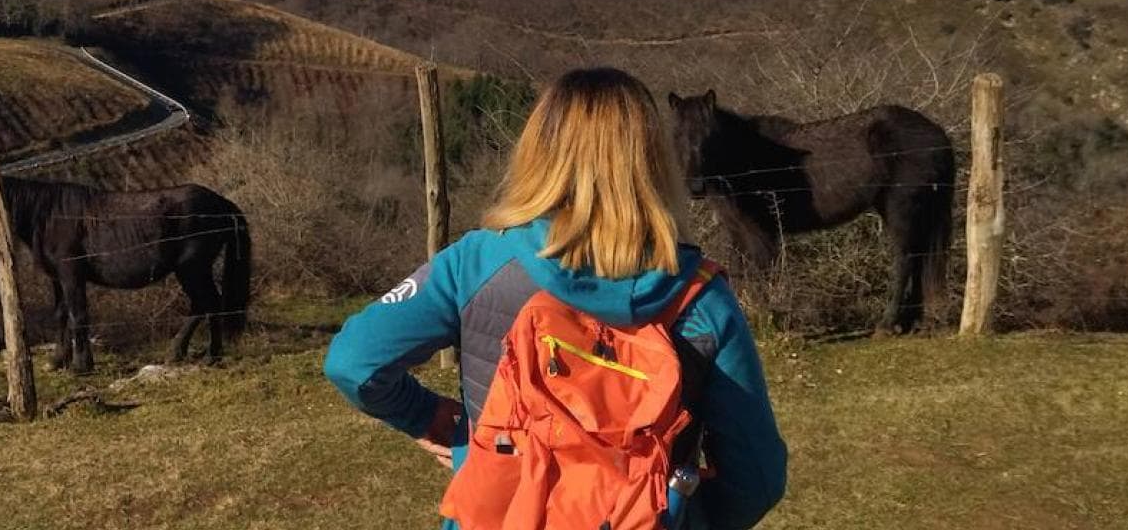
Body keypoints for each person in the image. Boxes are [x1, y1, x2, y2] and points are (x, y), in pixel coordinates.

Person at [324, 67, 786, 529]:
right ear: (652, 161)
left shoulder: (479, 260)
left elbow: (354, 361)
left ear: (537, 153)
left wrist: (430, 417)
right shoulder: (701, 297)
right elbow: (757, 480)